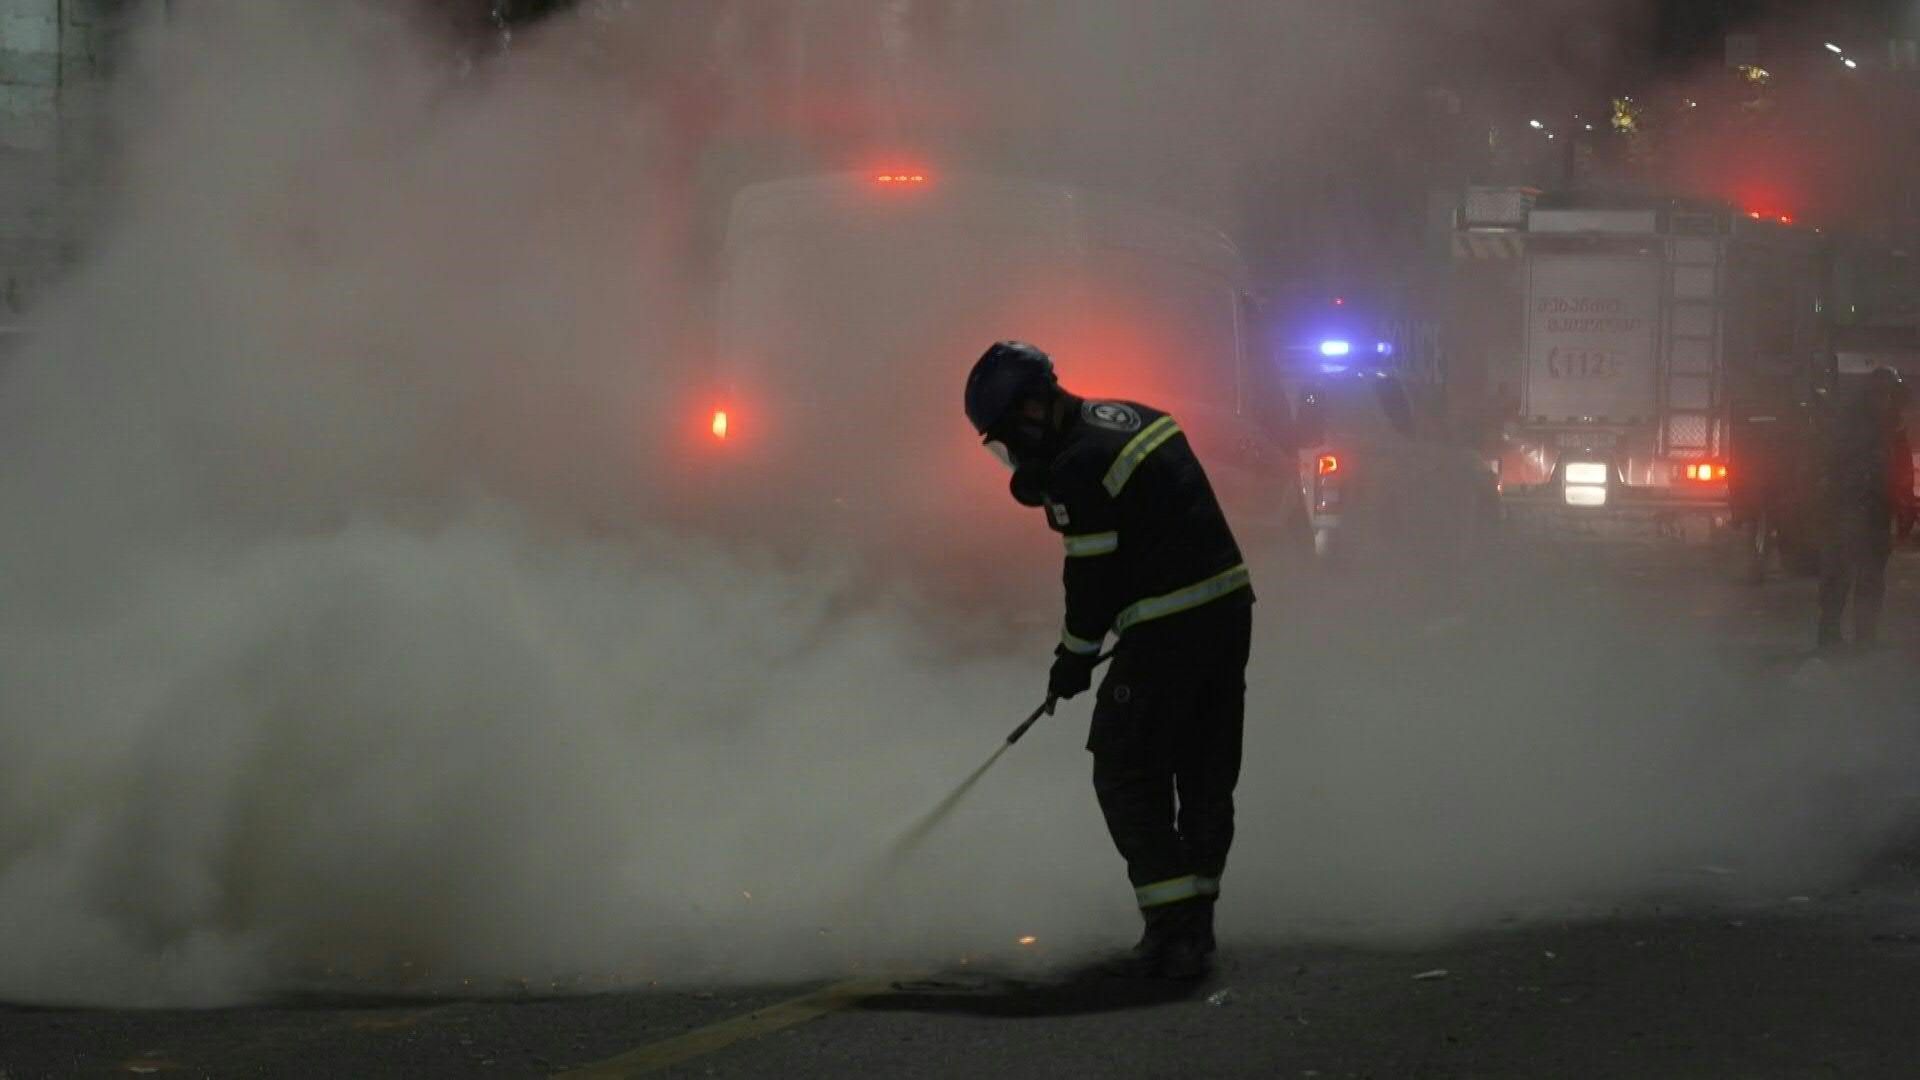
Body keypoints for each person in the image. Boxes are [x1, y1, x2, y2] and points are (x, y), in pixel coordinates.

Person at [963, 341, 1254, 979]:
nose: (1013, 452)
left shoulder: (1078, 464)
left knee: (1125, 768)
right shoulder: (1133, 416)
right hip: (1228, 609)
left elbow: (1090, 580)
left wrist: (1072, 660)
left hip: (1170, 626)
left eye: (1010, 435)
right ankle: (1196, 920)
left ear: (1034, 409)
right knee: (1203, 770)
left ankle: (1173, 933)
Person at [1816, 367, 1912, 651]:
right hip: (1853, 510)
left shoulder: (1885, 428)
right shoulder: (1861, 428)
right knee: (1845, 574)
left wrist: (1902, 506)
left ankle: (1856, 638)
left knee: (1861, 576)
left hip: (1868, 511)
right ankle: (1839, 636)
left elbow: (1900, 471)